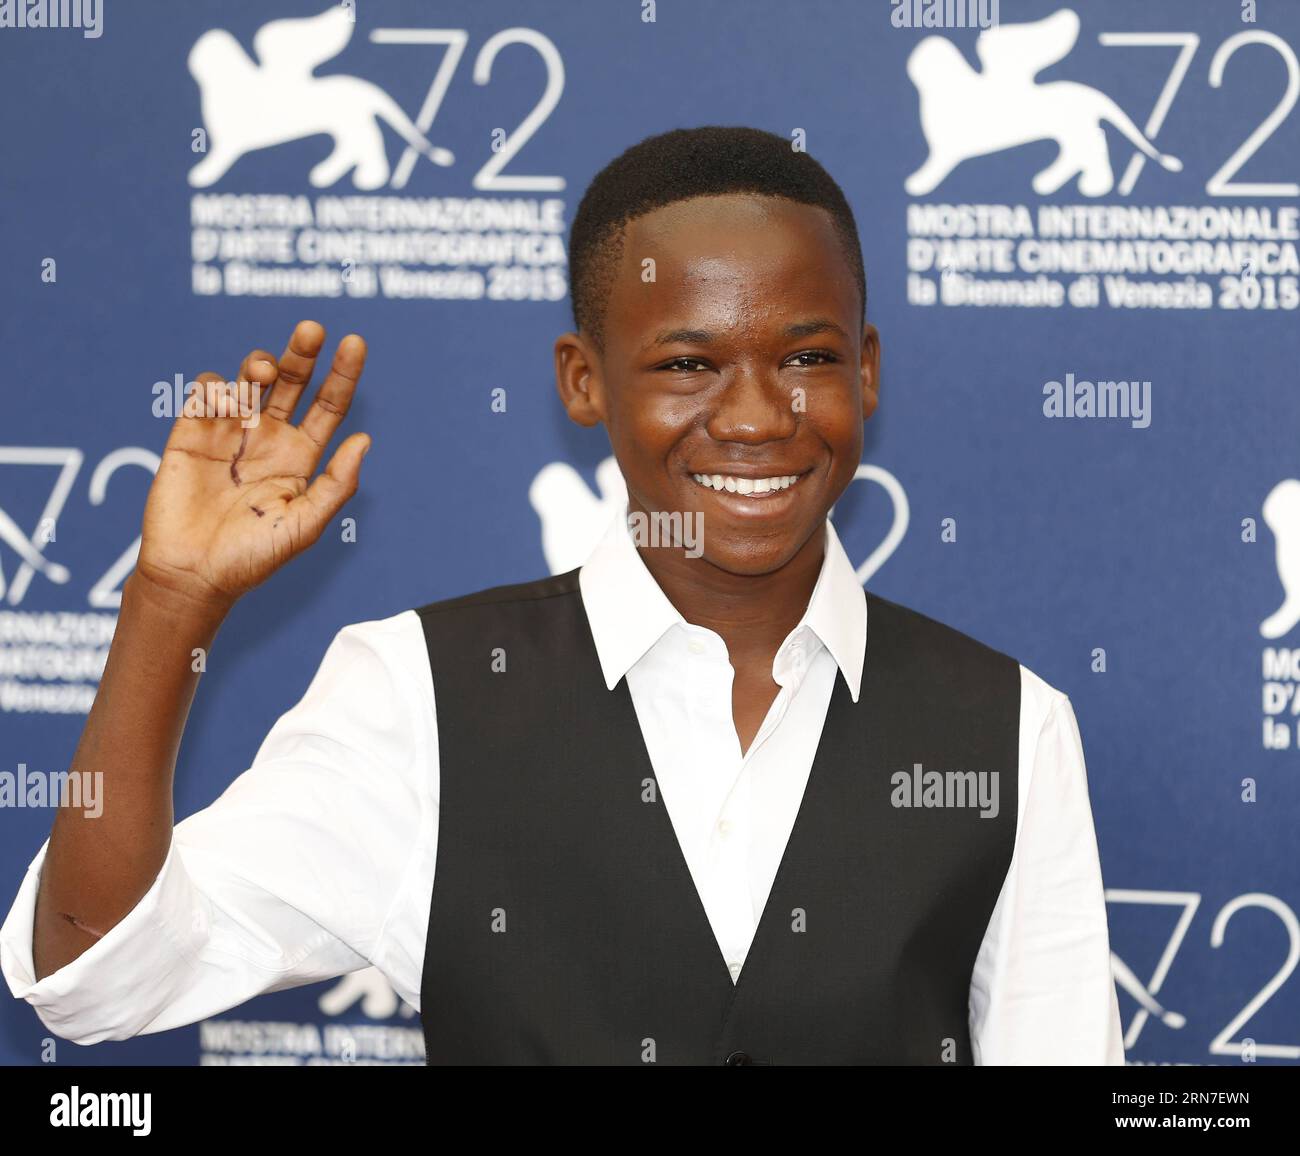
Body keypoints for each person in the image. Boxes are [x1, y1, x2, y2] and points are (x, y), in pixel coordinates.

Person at [1, 126, 1123, 1065]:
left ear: (866, 370)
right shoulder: (419, 697)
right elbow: (95, 974)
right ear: (583, 382)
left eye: (806, 356)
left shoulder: (1009, 728)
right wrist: (168, 604)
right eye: (688, 364)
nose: (754, 415)